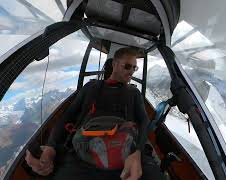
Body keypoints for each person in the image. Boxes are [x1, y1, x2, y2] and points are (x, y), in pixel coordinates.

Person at [25, 47, 150, 180]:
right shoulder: (91, 87)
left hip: (125, 156)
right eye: (127, 66)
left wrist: (138, 152)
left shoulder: (134, 92)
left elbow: (144, 121)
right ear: (114, 64)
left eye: (134, 68)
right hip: (83, 154)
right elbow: (68, 116)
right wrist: (51, 147)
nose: (131, 71)